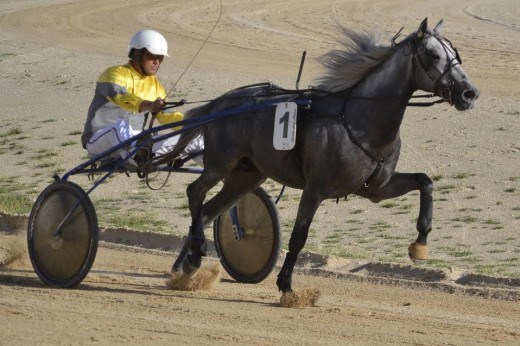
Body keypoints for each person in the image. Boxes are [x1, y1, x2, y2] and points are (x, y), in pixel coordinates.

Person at [81, 29, 203, 167]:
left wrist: (199, 125)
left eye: (160, 57)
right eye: (152, 56)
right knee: (121, 126)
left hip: (138, 144)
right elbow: (120, 96)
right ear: (137, 53)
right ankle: (139, 158)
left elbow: (168, 116)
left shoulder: (155, 86)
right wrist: (148, 105)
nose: (157, 62)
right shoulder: (113, 73)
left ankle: (226, 176)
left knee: (195, 138)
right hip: (99, 141)